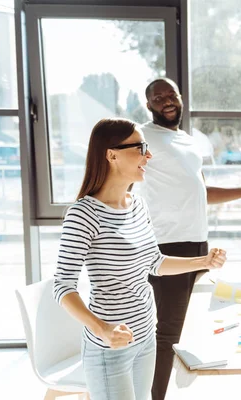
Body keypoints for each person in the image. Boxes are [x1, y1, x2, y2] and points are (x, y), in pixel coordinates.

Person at [53, 118, 227, 400]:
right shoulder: (83, 215)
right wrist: (103, 329)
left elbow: (154, 262)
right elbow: (62, 286)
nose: (149, 155)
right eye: (141, 147)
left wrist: (203, 262)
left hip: (146, 335)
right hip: (110, 347)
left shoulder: (138, 205)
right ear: (112, 155)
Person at [140, 78, 241, 400]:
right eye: (158, 98)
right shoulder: (142, 136)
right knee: (167, 333)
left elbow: (201, 192)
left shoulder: (185, 141)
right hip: (166, 244)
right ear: (149, 106)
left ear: (181, 98)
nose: (166, 101)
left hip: (196, 243)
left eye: (171, 94)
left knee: (189, 327)